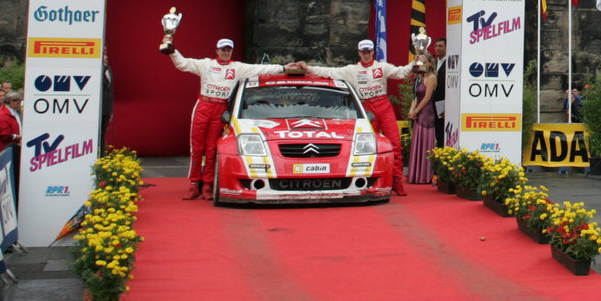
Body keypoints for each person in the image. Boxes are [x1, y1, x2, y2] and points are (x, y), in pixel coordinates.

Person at [291, 39, 418, 196]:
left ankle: (396, 181)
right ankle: (371, 179)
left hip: (383, 106)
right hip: (366, 108)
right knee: (369, 146)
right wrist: (308, 68)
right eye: (363, 52)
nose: (366, 55)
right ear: (359, 53)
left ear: (373, 52)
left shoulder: (382, 67)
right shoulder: (352, 70)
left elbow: (401, 73)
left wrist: (416, 60)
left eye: (368, 52)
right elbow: (330, 72)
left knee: (395, 144)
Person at [164, 35, 286, 200]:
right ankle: (194, 184)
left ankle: (207, 185)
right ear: (217, 51)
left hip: (221, 109)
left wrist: (284, 68)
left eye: (228, 50)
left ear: (231, 51)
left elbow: (259, 69)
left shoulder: (237, 67)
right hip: (204, 105)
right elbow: (183, 63)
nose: (226, 52)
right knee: (197, 148)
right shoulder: (206, 64)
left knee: (212, 148)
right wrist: (172, 50)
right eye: (223, 49)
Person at [404, 37, 438, 185]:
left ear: (430, 63)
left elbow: (427, 97)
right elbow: (415, 96)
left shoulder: (431, 78)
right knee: (417, 142)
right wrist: (412, 110)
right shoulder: (419, 77)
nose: (421, 64)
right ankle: (415, 175)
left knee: (425, 143)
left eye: (424, 62)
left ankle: (424, 175)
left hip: (427, 113)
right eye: (419, 62)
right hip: (418, 113)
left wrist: (416, 111)